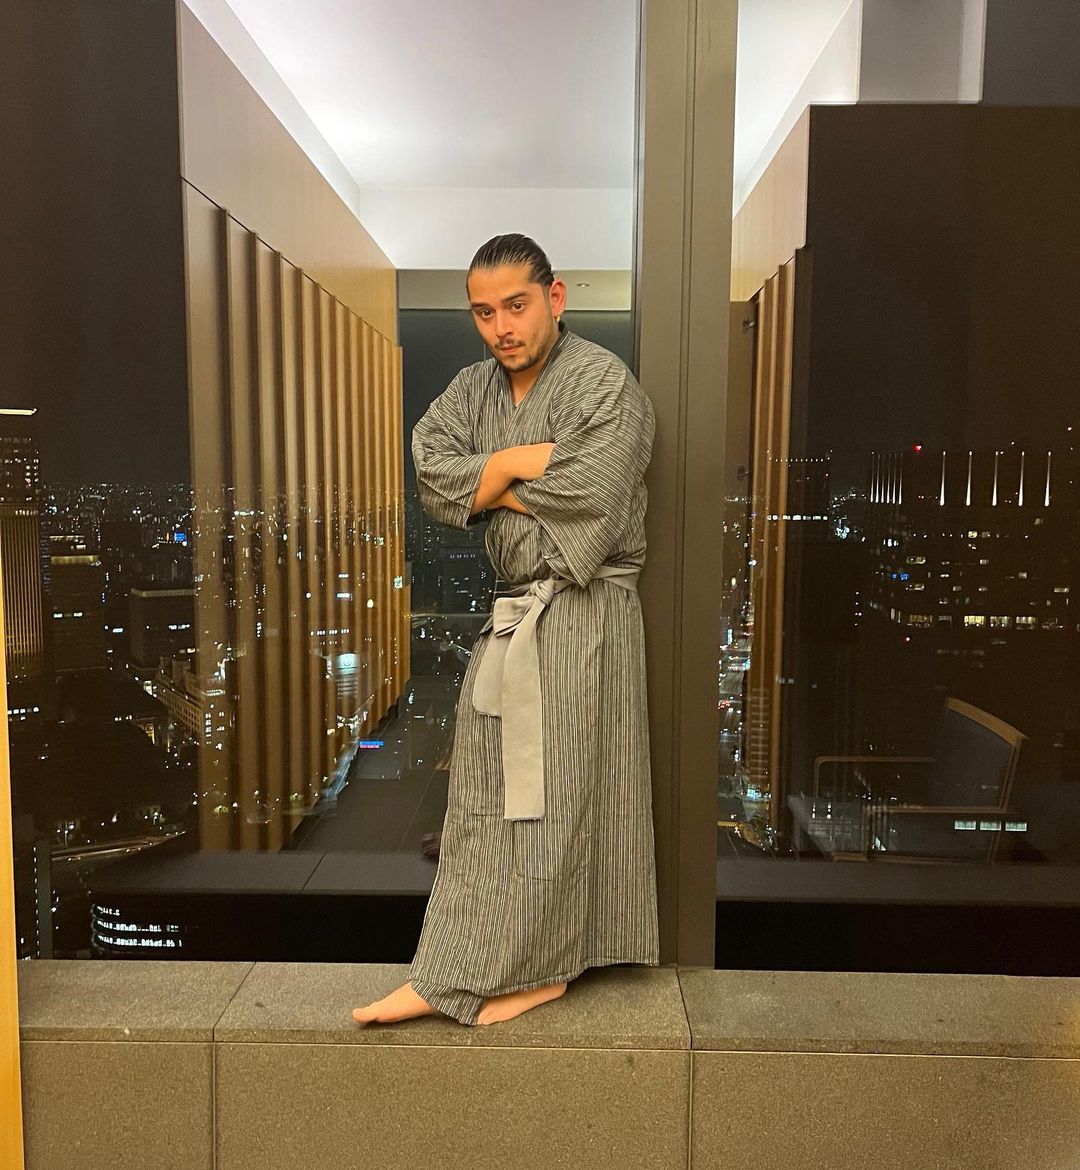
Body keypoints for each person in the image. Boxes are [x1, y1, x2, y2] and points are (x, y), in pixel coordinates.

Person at [352, 233, 659, 1027]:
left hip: (583, 612)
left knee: (559, 794)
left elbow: (596, 491)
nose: (501, 328)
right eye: (484, 313)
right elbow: (431, 470)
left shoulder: (605, 384)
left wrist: (487, 479)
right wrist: (523, 461)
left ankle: (544, 968)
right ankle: (452, 969)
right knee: (486, 796)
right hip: (516, 609)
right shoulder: (470, 389)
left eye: (515, 306)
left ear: (554, 298)